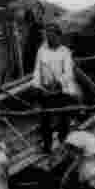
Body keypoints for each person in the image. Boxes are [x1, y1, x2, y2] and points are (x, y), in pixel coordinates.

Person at [31, 23, 81, 154]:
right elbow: (37, 70)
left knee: (63, 117)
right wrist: (36, 85)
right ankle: (47, 146)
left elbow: (69, 73)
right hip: (46, 90)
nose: (50, 38)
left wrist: (59, 82)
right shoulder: (41, 51)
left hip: (61, 90)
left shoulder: (65, 52)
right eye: (48, 36)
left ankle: (63, 141)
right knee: (45, 119)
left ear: (59, 36)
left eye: (52, 36)